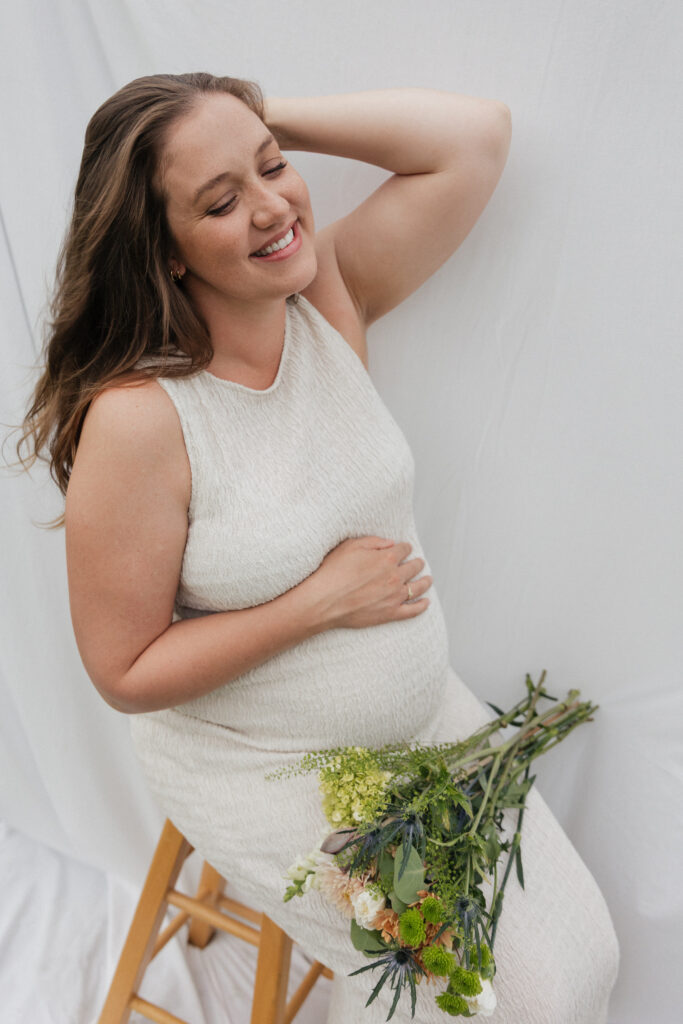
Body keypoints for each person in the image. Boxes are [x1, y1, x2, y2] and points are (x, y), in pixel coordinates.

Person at [17, 74, 619, 1022]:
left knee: (587, 965)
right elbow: (123, 669)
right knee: (494, 1007)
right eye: (220, 201)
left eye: (272, 167)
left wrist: (255, 120)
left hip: (419, 724)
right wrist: (320, 603)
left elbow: (473, 140)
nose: (272, 208)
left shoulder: (324, 302)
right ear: (163, 251)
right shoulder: (140, 422)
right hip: (268, 768)